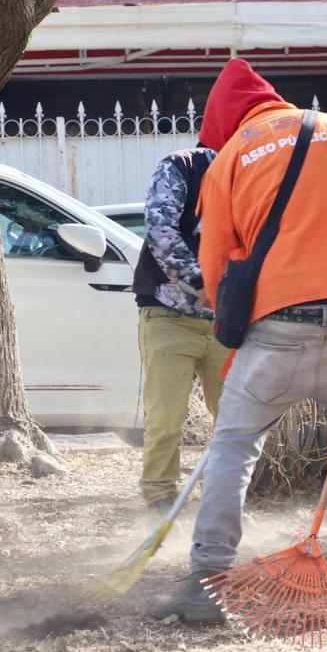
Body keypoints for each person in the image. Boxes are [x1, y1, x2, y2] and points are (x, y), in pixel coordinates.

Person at [149, 59, 327, 624]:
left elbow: (215, 265)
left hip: (279, 327)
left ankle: (207, 581)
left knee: (233, 444)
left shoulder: (225, 164)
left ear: (223, 121)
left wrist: (235, 320)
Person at [132, 146, 231, 515]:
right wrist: (201, 282)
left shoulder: (257, 173)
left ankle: (224, 500)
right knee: (166, 417)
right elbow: (160, 230)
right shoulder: (181, 167)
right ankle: (160, 499)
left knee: (236, 420)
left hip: (227, 323)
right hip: (168, 315)